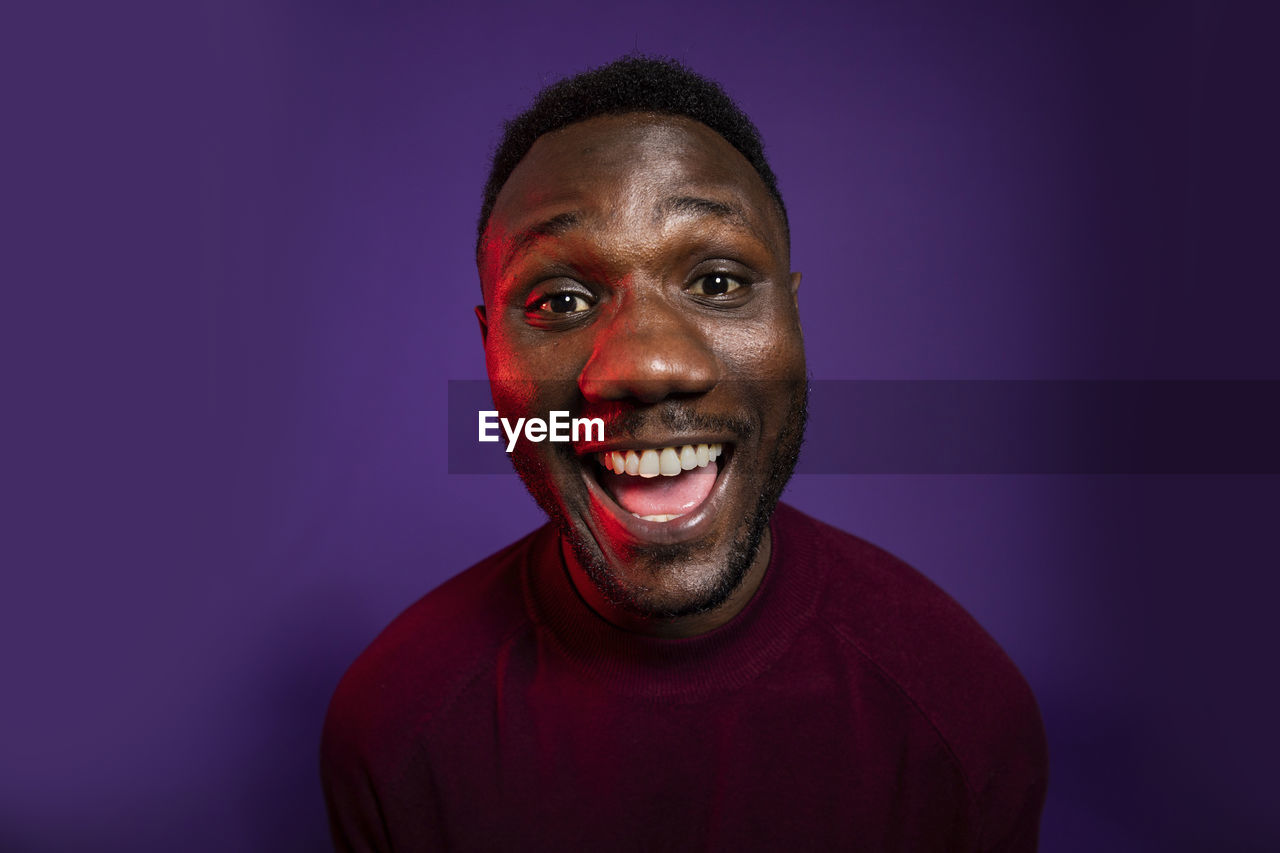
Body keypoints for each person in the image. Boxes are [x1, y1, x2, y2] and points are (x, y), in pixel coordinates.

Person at [321, 56, 1048, 852]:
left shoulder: (960, 715)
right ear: (490, 346)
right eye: (561, 300)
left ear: (794, 319)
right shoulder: (393, 731)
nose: (648, 365)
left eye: (718, 281)